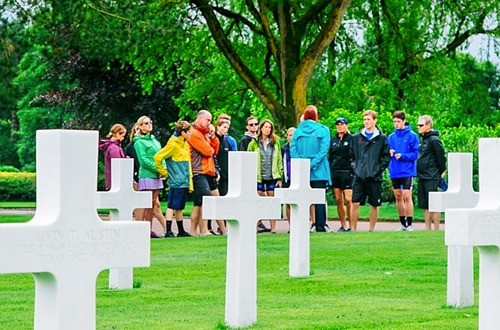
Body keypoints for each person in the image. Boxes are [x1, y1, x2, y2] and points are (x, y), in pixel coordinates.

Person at [290, 105, 331, 232]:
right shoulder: (324, 130)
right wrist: (312, 164)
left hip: (302, 171)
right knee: (319, 199)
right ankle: (320, 225)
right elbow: (324, 150)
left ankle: (302, 225)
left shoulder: (297, 131)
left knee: (302, 198)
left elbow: (293, 150)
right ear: (316, 117)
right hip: (319, 170)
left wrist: (302, 164)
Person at [350, 110, 391, 231]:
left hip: (374, 177)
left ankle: (371, 230)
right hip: (359, 176)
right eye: (364, 119)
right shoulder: (357, 137)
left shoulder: (382, 138)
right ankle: (353, 229)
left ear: (374, 120)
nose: (366, 122)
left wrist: (377, 170)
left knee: (374, 204)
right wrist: (356, 168)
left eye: (368, 119)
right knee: (355, 203)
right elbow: (351, 156)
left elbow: (386, 157)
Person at [188, 110, 227, 236]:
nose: (209, 123)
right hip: (199, 172)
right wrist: (209, 144)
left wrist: (213, 136)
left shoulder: (205, 134)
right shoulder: (194, 133)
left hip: (209, 171)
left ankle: (223, 230)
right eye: (208, 120)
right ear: (199, 119)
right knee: (206, 200)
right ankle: (204, 230)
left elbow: (215, 150)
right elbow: (207, 151)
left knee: (209, 202)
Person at [154, 121, 193, 238]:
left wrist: (190, 183)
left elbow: (188, 165)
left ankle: (181, 230)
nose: (191, 134)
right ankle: (169, 231)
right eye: (189, 132)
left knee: (180, 207)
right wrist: (165, 172)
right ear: (183, 133)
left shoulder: (185, 145)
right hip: (176, 181)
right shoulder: (173, 145)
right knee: (171, 206)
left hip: (184, 182)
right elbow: (158, 157)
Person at [247, 119, 283, 234]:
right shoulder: (253, 143)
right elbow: (248, 159)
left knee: (272, 201)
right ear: (261, 128)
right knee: (259, 198)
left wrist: (279, 177)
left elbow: (279, 160)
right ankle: (258, 223)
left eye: (270, 127)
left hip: (272, 175)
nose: (268, 129)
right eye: (266, 127)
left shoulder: (276, 143)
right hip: (259, 176)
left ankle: (273, 228)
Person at [134, 116, 167, 238]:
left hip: (157, 175)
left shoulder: (154, 140)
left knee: (153, 203)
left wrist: (162, 169)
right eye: (146, 123)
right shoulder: (139, 142)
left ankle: (149, 229)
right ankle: (140, 228)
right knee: (145, 203)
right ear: (141, 126)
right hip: (147, 175)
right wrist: (158, 168)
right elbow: (143, 160)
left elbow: (160, 155)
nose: (149, 124)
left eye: (150, 122)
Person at [388, 111, 419, 232]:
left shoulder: (412, 136)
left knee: (407, 195)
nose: (396, 124)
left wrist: (403, 156)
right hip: (395, 170)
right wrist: (388, 153)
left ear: (404, 121)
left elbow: (415, 154)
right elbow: (385, 153)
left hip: (407, 171)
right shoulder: (391, 137)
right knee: (398, 196)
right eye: (394, 122)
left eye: (398, 122)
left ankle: (410, 223)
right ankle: (402, 223)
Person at [417, 115, 446, 230]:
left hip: (432, 176)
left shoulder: (434, 140)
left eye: (421, 125)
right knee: (425, 205)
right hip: (423, 175)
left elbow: (441, 157)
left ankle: (436, 229)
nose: (418, 127)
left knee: (434, 204)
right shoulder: (423, 139)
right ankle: (427, 229)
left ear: (428, 126)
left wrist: (442, 171)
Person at [329, 117, 354, 232]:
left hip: (347, 172)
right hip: (335, 172)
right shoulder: (333, 139)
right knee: (339, 200)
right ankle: (343, 225)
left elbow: (354, 156)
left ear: (346, 126)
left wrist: (353, 171)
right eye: (338, 125)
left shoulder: (351, 139)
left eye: (342, 124)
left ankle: (351, 224)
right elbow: (331, 156)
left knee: (348, 199)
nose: (340, 126)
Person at [99, 124, 126, 191]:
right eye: (122, 136)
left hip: (111, 182)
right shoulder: (114, 148)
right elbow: (117, 164)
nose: (123, 138)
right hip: (115, 182)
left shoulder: (112, 147)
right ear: (117, 134)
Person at [281, 127, 295, 225]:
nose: (292, 137)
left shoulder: (300, 148)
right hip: (287, 177)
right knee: (288, 203)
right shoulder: (283, 148)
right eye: (290, 135)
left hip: (298, 178)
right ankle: (291, 225)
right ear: (287, 137)